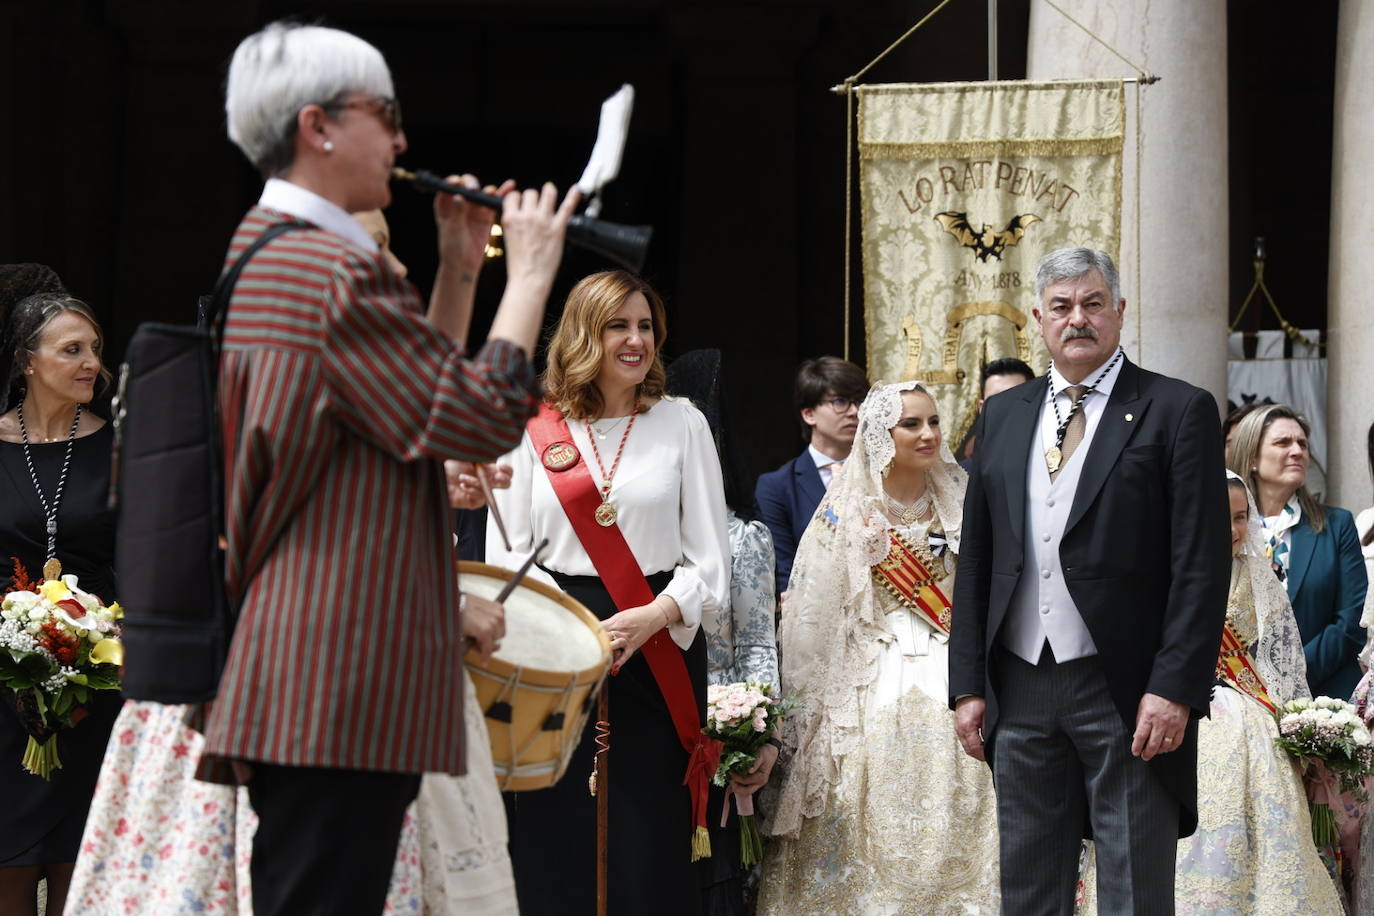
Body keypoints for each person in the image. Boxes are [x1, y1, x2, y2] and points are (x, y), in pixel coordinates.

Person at [194, 21, 576, 916]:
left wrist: (455, 270)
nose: (403, 140)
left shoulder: (275, 250)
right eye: (387, 114)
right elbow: (478, 419)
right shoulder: (328, 267)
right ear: (318, 126)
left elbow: (420, 420)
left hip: (318, 665)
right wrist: (530, 274)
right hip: (338, 671)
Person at [949, 247, 1231, 914]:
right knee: (1030, 890)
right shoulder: (1004, 415)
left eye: (1093, 303)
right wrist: (967, 685)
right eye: (1063, 307)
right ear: (1040, 321)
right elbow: (979, 560)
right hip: (1020, 685)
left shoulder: (1175, 409)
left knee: (1134, 892)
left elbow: (1201, 563)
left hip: (1128, 690)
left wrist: (1174, 687)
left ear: (1120, 313)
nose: (1079, 319)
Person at [487, 269, 729, 915]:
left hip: (657, 643)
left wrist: (653, 615)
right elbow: (505, 555)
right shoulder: (530, 427)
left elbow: (711, 559)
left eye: (645, 326)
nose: (636, 340)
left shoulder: (684, 423)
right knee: (557, 833)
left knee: (648, 836)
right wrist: (571, 630)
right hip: (553, 648)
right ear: (582, 334)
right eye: (618, 325)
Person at [758, 381, 1000, 914]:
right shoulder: (842, 513)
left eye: (934, 422)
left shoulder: (964, 501)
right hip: (870, 665)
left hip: (950, 664)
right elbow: (814, 618)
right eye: (911, 424)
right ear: (880, 435)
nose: (929, 434)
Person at [1080, 472, 1341, 914]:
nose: (1234, 530)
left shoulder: (1260, 577)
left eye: (1241, 518)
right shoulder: (1158, 575)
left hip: (1250, 725)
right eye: (1221, 518)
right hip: (1176, 713)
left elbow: (1282, 665)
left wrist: (1298, 728)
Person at [0, 291, 121, 916]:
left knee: (82, 864)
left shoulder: (120, 446)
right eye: (72, 350)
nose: (91, 364)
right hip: (2, 684)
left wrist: (95, 636)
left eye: (94, 350)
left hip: (96, 685)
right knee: (10, 865)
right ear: (27, 360)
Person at [667, 348, 781, 915]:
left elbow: (758, 641)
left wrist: (758, 734)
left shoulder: (743, 536)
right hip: (648, 723)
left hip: (714, 739)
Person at [1226, 404, 1368, 700]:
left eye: (1302, 443)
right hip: (1239, 700)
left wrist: (1290, 675)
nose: (1298, 451)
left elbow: (1349, 623)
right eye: (1283, 443)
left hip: (1323, 698)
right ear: (1252, 458)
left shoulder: (1337, 525)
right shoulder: (1222, 529)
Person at [755, 356, 867, 595]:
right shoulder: (777, 486)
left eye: (859, 401)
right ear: (809, 414)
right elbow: (782, 568)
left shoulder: (882, 474)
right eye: (840, 401)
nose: (854, 411)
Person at [962, 356, 1036, 465]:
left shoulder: (1051, 462)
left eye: (1015, 398)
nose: (1005, 408)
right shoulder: (962, 476)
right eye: (996, 400)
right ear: (982, 408)